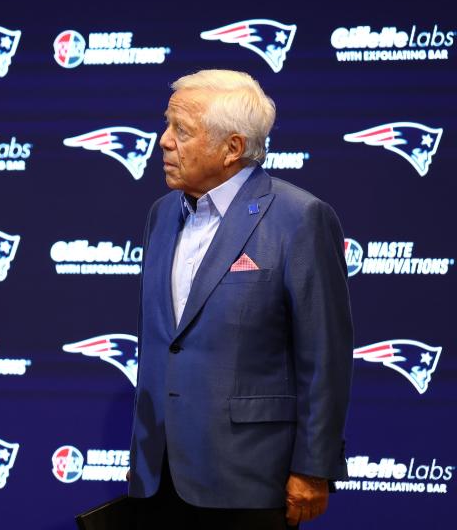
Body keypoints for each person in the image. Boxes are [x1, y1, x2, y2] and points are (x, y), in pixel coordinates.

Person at [129, 69, 353, 528]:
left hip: (250, 480)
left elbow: (324, 355)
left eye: (182, 131)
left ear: (231, 148)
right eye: (167, 125)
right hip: (158, 474)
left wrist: (313, 467)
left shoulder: (300, 218)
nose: (163, 141)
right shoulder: (161, 214)